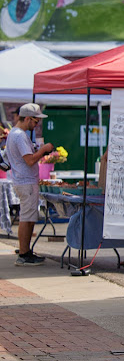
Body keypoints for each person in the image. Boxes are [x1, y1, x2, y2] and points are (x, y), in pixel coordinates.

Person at [5, 104, 56, 266]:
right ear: (27, 118)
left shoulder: (15, 133)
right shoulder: (19, 135)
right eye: (35, 122)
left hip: (23, 180)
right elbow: (30, 160)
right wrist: (44, 150)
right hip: (25, 181)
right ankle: (24, 254)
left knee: (28, 217)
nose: (36, 125)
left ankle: (25, 251)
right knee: (27, 218)